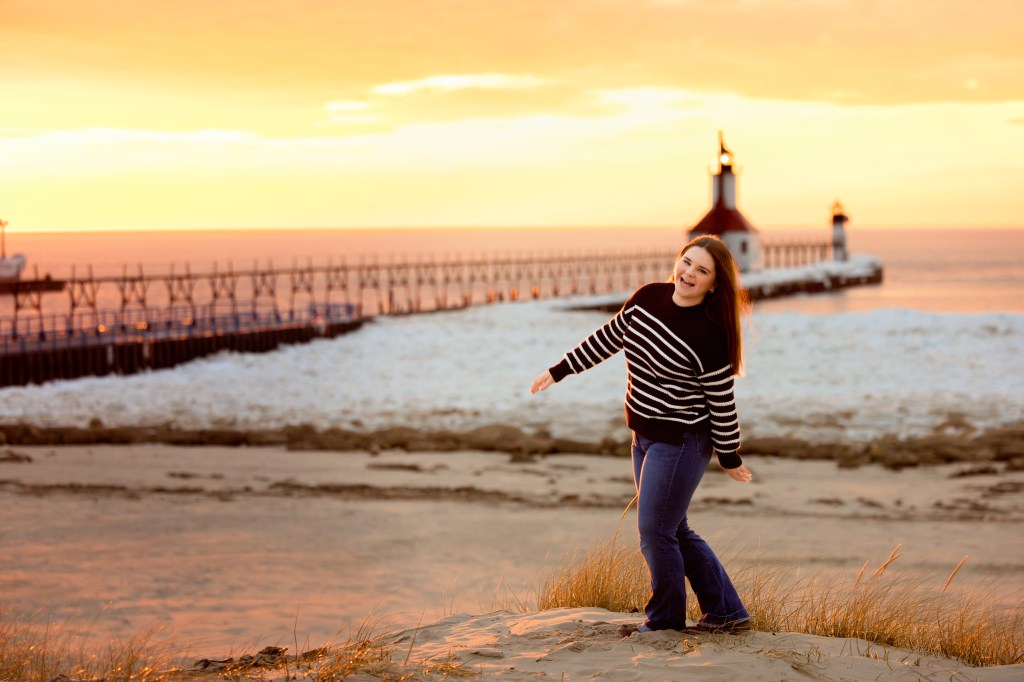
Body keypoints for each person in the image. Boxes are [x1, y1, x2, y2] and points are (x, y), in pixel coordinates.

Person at [530, 234, 753, 634]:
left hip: (683, 440)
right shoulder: (648, 297)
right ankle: (726, 613)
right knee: (673, 528)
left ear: (714, 283)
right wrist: (558, 370)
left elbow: (721, 401)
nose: (689, 273)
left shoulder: (709, 334)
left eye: (702, 270)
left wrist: (729, 455)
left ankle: (665, 621)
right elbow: (608, 338)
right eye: (687, 262)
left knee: (655, 530)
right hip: (644, 436)